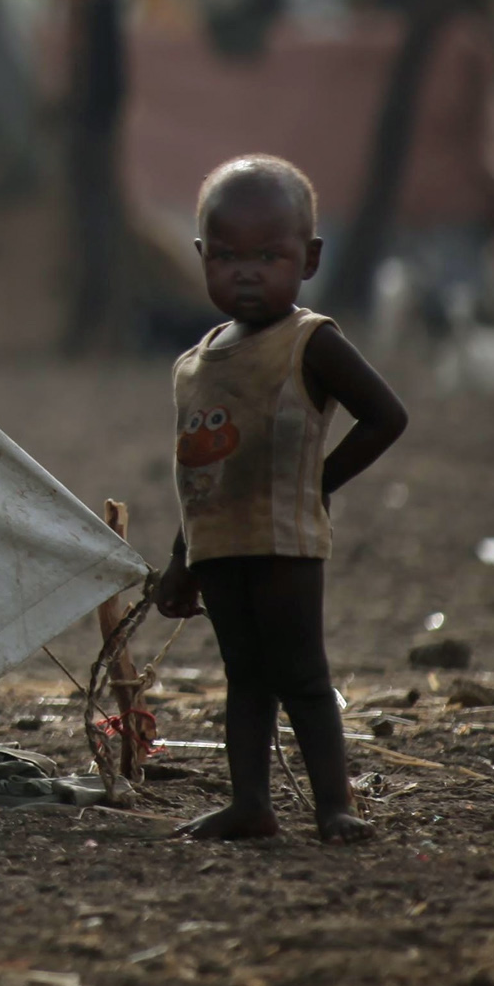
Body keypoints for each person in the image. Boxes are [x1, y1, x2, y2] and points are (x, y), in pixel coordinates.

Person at [152, 153, 408, 842]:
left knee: (300, 674)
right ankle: (251, 804)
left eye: (268, 255)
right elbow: (196, 473)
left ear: (310, 258)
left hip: (285, 543)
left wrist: (317, 483)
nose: (246, 271)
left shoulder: (310, 343)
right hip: (219, 546)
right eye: (228, 256)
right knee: (244, 679)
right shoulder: (194, 363)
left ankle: (335, 807)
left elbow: (386, 416)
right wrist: (182, 558)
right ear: (203, 257)